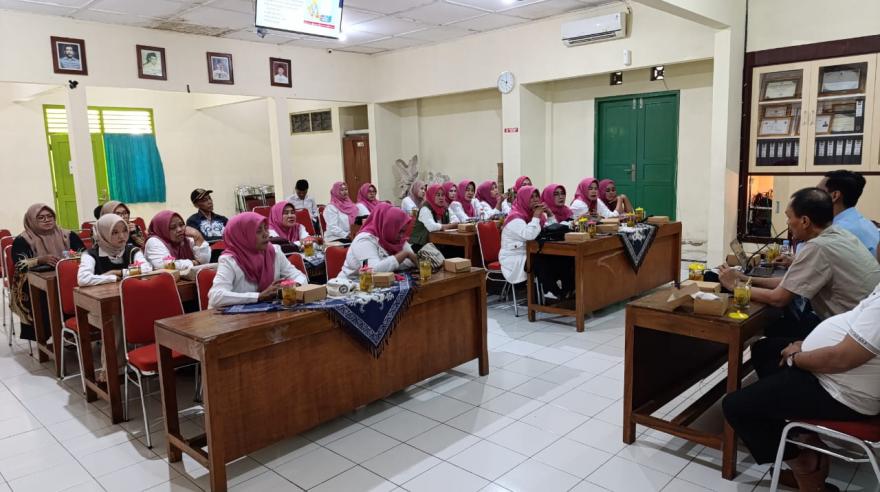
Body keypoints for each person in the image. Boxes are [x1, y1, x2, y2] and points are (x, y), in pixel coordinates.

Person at [722, 281, 880, 491]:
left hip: (842, 392)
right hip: (839, 376)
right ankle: (806, 438)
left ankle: (804, 465)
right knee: (765, 350)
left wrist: (796, 358)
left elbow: (841, 359)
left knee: (736, 406)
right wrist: (805, 345)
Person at [720, 188, 880, 339]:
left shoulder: (818, 247)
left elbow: (778, 298)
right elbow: (790, 283)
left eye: (789, 217)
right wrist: (745, 279)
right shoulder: (840, 234)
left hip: (854, 334)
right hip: (867, 325)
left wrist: (734, 286)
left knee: (764, 347)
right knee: (778, 327)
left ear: (804, 221)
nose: (788, 223)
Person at [9, 204, 85, 341]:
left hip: (67, 279)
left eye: (50, 216)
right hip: (34, 284)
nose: (47, 220)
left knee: (80, 290)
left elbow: (84, 254)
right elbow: (19, 265)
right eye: (41, 217)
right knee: (46, 299)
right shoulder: (23, 240)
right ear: (31, 220)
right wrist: (40, 260)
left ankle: (75, 332)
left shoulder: (68, 235)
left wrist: (73, 258)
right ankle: (50, 337)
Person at [208, 212, 307, 308]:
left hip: (268, 314)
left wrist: (293, 285)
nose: (266, 234)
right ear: (242, 236)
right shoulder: (229, 260)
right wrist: (258, 296)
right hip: (236, 317)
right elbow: (216, 296)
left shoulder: (274, 251)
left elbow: (299, 276)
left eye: (266, 228)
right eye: (258, 231)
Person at [338, 203, 418, 281]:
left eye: (403, 231)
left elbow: (412, 261)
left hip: (381, 282)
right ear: (388, 227)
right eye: (399, 231)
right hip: (351, 284)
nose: (402, 236)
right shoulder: (364, 240)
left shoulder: (396, 239)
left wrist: (392, 264)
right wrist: (403, 255)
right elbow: (372, 271)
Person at [818, 170, 878, 258]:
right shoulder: (866, 223)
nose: (813, 196)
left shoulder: (838, 231)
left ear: (835, 196)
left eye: (818, 192)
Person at [78, 214, 150, 286]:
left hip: (129, 291)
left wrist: (118, 272)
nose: (122, 236)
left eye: (125, 230)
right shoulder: (90, 255)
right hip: (103, 292)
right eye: (115, 232)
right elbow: (83, 279)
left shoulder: (132, 251)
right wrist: (112, 278)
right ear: (103, 235)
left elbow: (147, 270)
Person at [499, 186, 545, 285]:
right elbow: (529, 235)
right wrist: (536, 216)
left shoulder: (531, 214)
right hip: (514, 257)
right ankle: (551, 291)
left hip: (528, 252)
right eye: (531, 197)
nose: (535, 199)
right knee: (543, 261)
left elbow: (548, 229)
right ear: (523, 199)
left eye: (536, 196)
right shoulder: (515, 217)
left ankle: (562, 290)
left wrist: (549, 214)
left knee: (558, 259)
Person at [145, 210, 210, 270]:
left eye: (181, 225)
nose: (179, 230)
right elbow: (166, 265)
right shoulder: (153, 242)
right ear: (162, 229)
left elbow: (205, 261)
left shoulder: (186, 238)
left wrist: (197, 236)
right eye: (173, 227)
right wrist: (193, 263)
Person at [409, 183, 460, 251]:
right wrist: (450, 226)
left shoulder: (444, 208)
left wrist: (451, 224)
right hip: (422, 245)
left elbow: (456, 220)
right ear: (431, 196)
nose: (441, 198)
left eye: (442, 195)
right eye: (438, 195)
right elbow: (432, 227)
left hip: (438, 243)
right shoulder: (425, 209)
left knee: (460, 250)